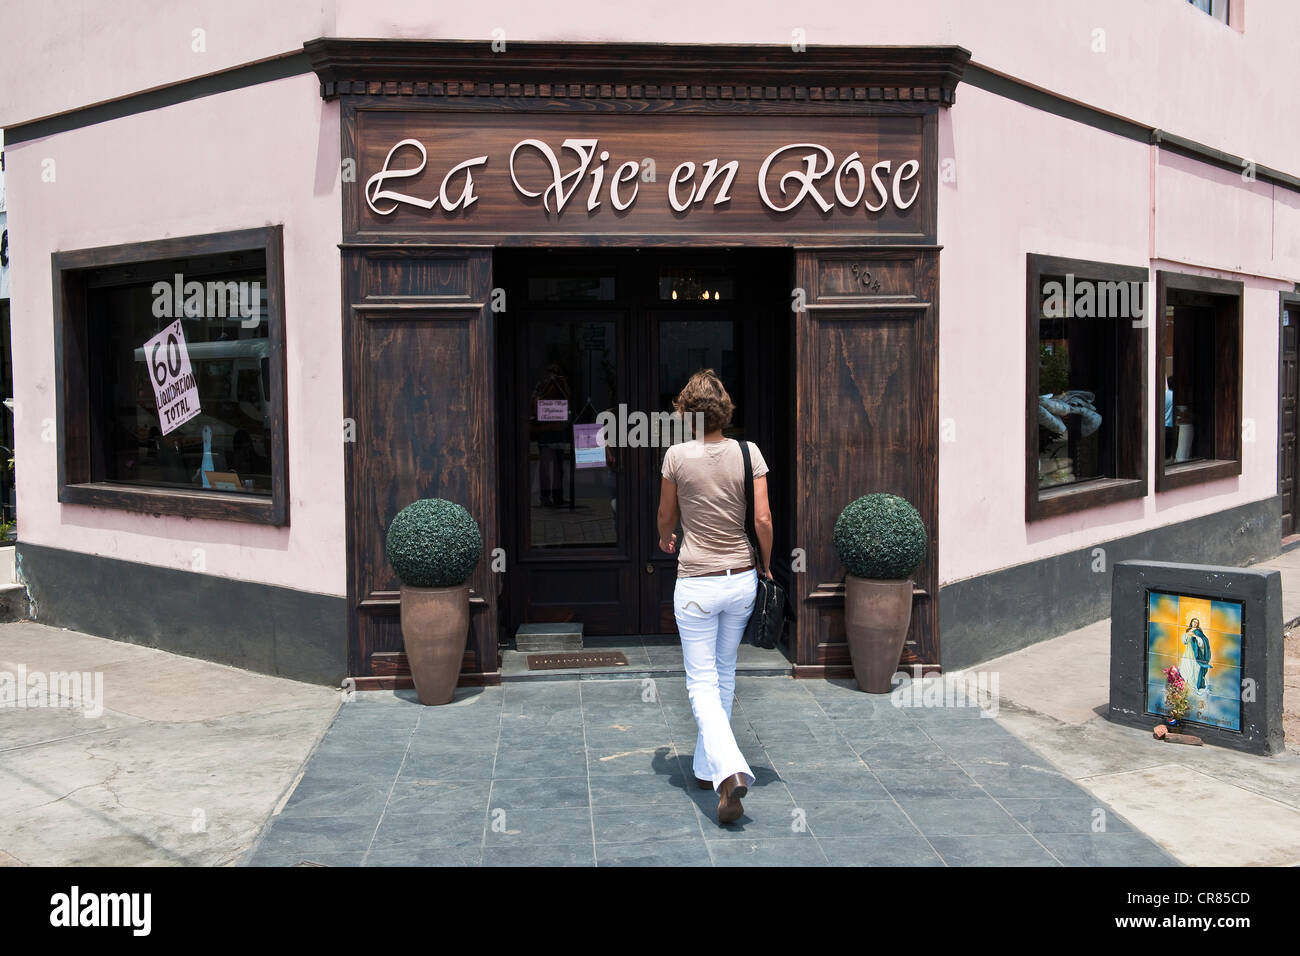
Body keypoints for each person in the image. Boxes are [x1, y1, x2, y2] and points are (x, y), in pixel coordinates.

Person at [656, 369, 773, 825]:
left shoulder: (677, 456)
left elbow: (666, 516)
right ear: (724, 410)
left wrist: (667, 537)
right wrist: (765, 562)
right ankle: (708, 769)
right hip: (741, 578)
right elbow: (762, 519)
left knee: (700, 681)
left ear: (687, 412)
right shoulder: (750, 453)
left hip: (697, 583)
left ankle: (728, 773)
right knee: (723, 674)